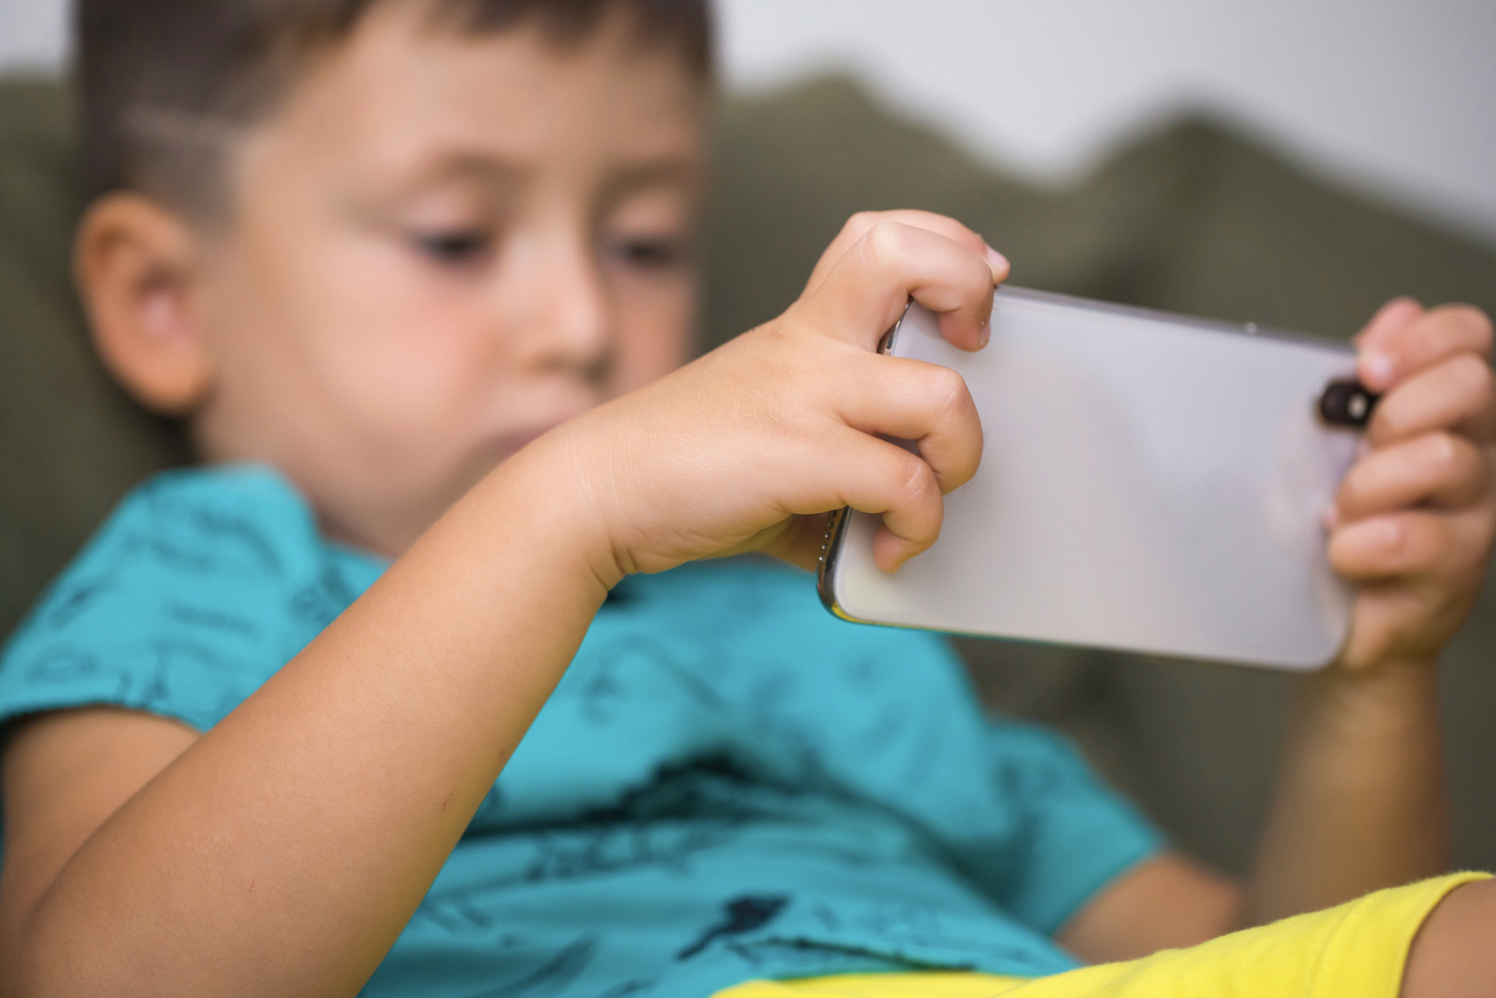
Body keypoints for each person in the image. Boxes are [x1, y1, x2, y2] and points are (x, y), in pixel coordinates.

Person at [0, 0, 1494, 995]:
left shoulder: (845, 622)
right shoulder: (204, 569)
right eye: (457, 237)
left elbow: (1281, 959)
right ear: (160, 300)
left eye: (644, 242)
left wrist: (1362, 674)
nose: (580, 321)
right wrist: (567, 509)